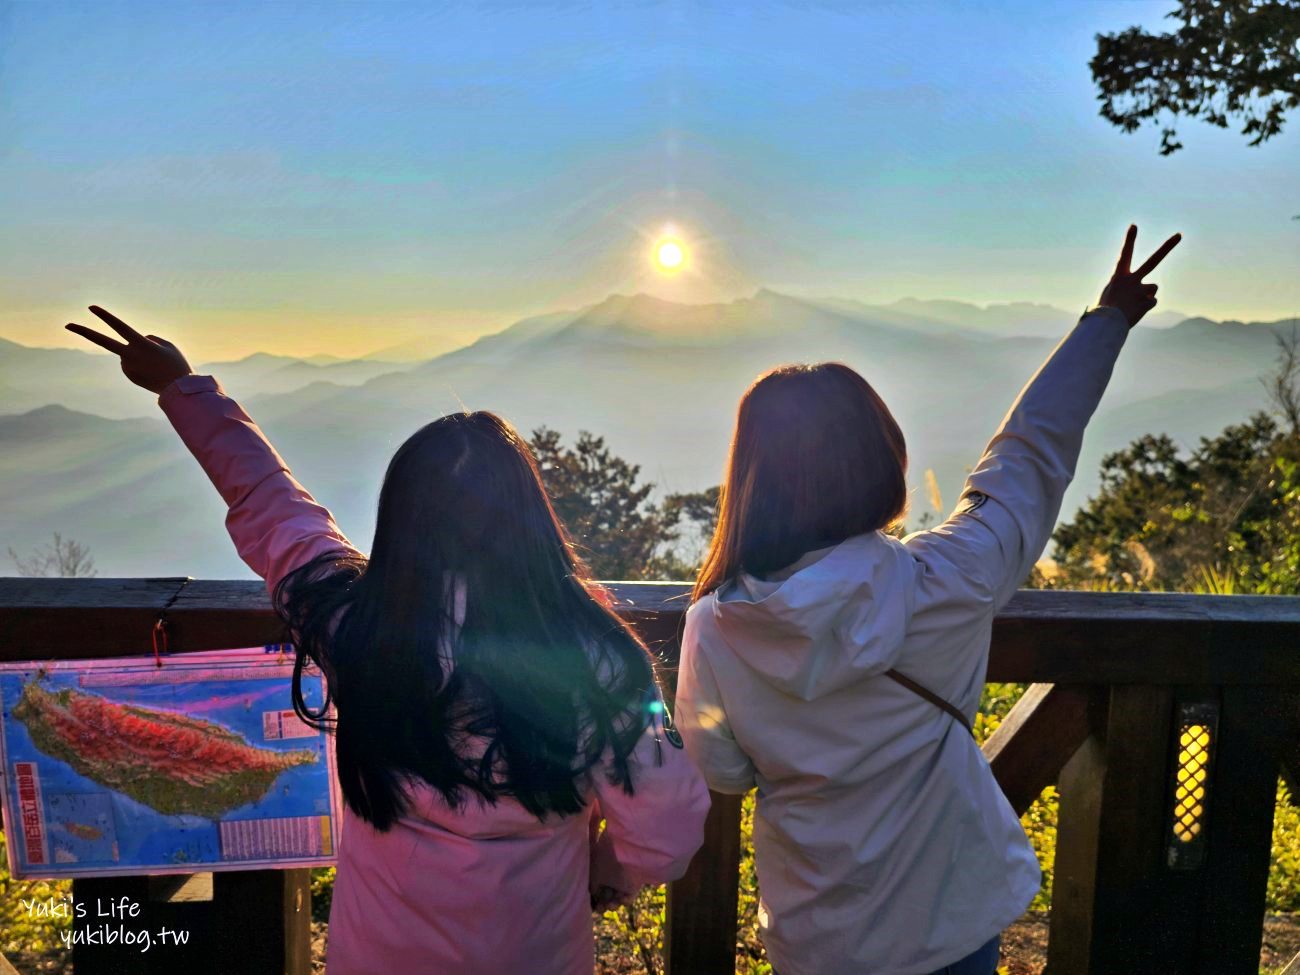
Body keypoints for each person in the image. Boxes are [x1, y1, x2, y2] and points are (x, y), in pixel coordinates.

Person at [65, 309, 711, 975]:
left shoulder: (355, 626)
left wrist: (183, 389)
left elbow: (275, 505)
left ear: (401, 522)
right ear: (529, 523)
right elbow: (665, 829)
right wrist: (598, 876)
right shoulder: (596, 659)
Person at [675, 225, 1181, 975]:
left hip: (818, 935)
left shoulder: (714, 626)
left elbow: (722, 771)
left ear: (752, 478)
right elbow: (1026, 459)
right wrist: (1106, 321)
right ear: (883, 456)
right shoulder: (946, 579)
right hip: (950, 919)